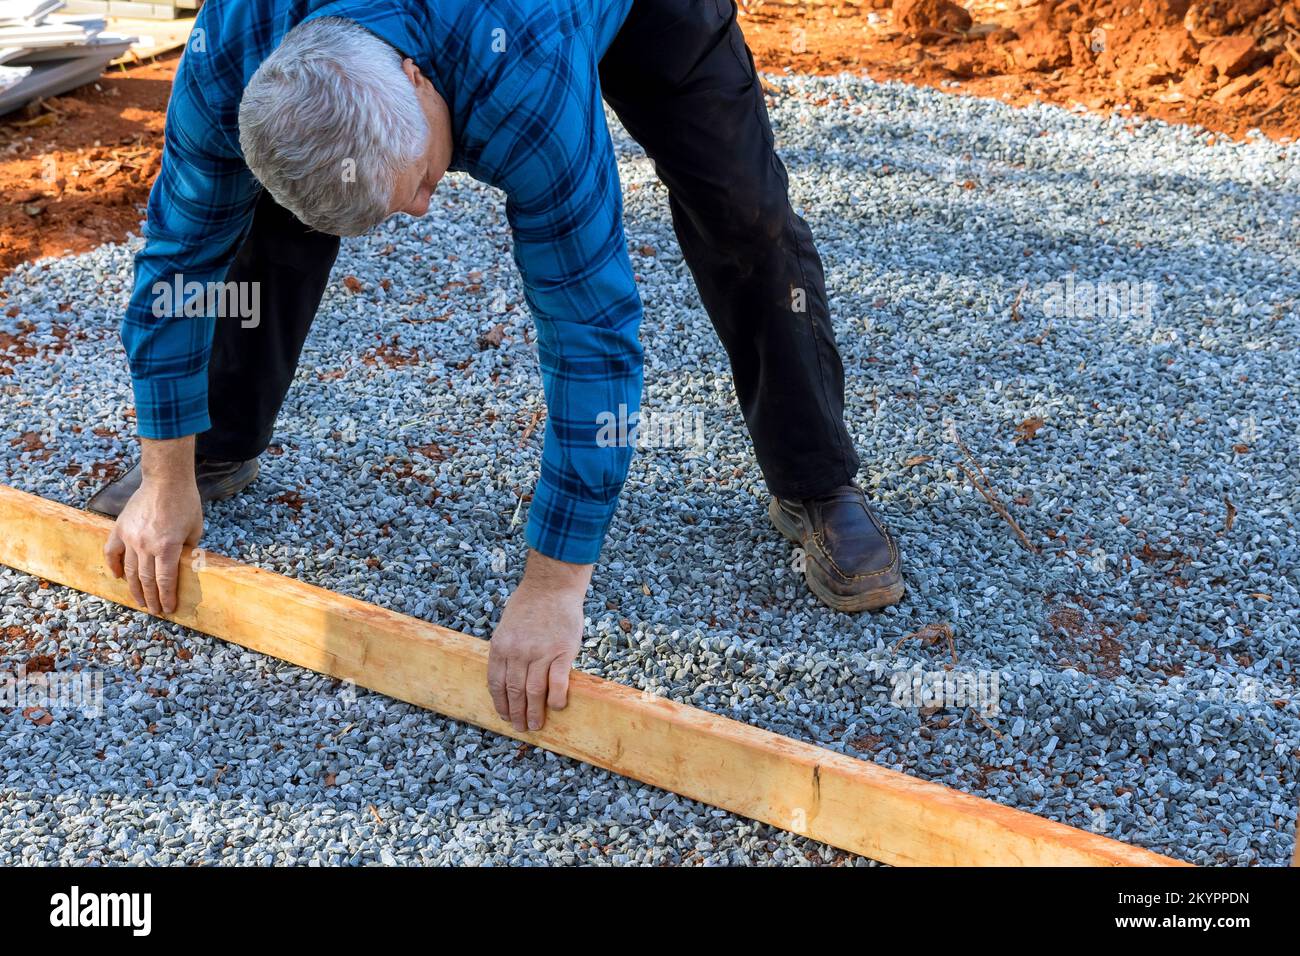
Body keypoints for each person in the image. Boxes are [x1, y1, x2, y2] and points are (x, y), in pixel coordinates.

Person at [93, 0, 904, 736]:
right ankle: (216, 444)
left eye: (413, 183)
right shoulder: (234, 42)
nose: (419, 211)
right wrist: (165, 476)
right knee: (271, 217)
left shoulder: (531, 84)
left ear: (417, 82)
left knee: (745, 219)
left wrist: (553, 588)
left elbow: (591, 332)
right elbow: (178, 266)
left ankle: (815, 480)